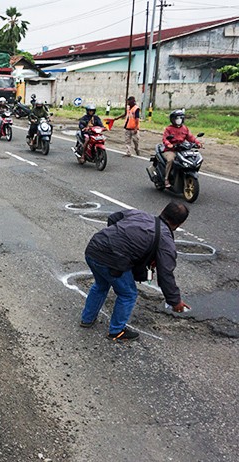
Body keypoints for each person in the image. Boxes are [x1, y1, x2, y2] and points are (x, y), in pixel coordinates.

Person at [80, 201, 191, 341]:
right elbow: (166, 274)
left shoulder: (138, 214)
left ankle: (87, 319)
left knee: (101, 285)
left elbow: (113, 218)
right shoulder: (166, 240)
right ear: (180, 224)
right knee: (128, 294)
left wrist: (117, 239)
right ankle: (116, 332)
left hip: (93, 248)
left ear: (163, 211)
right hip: (112, 261)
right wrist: (175, 301)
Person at [160, 109, 201, 188]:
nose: (178, 120)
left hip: (182, 149)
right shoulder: (169, 129)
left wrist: (197, 143)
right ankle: (166, 179)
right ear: (173, 119)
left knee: (192, 158)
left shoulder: (185, 128)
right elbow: (165, 139)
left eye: (180, 118)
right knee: (171, 160)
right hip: (171, 150)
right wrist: (169, 144)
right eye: (176, 118)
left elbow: (191, 137)